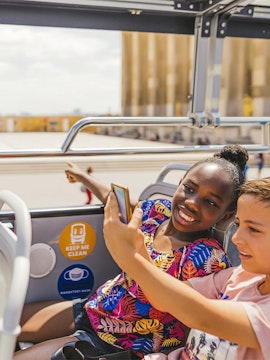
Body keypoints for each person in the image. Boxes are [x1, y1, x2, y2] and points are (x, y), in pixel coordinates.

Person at [15, 145, 248, 360]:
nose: (193, 203)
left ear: (226, 215)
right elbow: (115, 201)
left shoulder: (208, 259)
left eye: (210, 203)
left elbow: (179, 307)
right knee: (8, 321)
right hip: (96, 308)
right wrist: (84, 177)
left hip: (120, 343)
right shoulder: (157, 211)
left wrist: (134, 253)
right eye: (189, 189)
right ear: (180, 183)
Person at [104, 177, 270, 359]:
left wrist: (129, 258)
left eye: (253, 229)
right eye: (238, 225)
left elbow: (202, 317)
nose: (236, 238)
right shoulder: (240, 276)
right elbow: (163, 299)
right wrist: (139, 248)